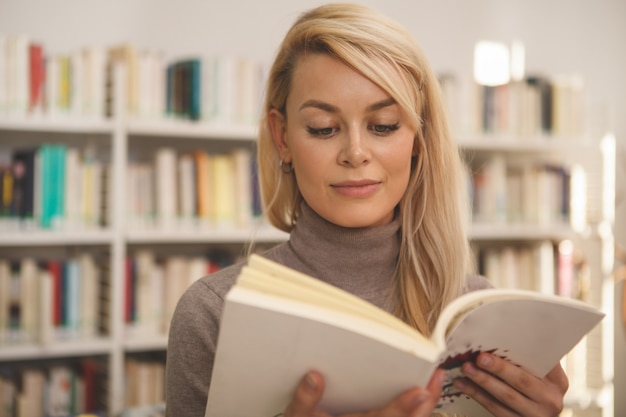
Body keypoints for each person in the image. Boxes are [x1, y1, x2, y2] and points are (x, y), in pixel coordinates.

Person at [165, 3, 569, 417]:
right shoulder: (213, 313)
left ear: (419, 138)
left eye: (384, 125)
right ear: (282, 137)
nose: (355, 153)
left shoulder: (476, 312)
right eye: (323, 128)